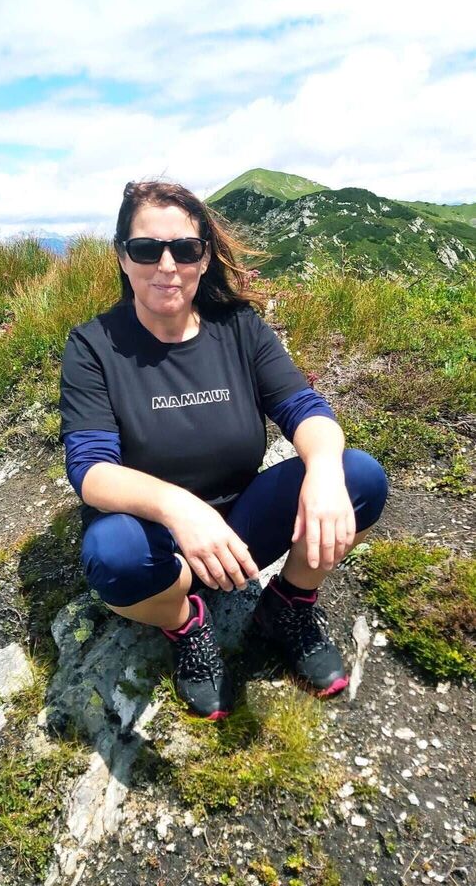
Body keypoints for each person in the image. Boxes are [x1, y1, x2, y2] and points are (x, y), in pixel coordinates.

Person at [59, 179, 388, 721]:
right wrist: (178, 507)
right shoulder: (93, 345)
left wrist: (324, 472)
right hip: (156, 538)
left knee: (360, 479)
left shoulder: (238, 328)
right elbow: (90, 469)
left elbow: (305, 409)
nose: (167, 265)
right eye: (147, 249)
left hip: (241, 529)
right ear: (122, 256)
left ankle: (287, 605)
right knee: (113, 556)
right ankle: (186, 623)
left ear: (204, 258)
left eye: (185, 249)